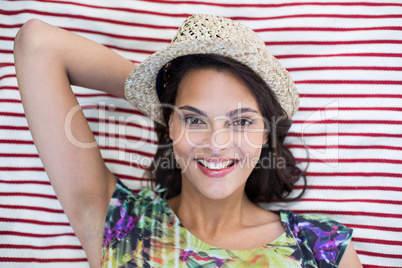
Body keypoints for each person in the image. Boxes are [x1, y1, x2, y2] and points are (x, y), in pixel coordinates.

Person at [14, 14, 362, 267]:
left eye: (241, 121)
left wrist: (177, 101)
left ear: (266, 133)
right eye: (194, 119)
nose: (216, 142)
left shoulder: (322, 248)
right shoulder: (118, 225)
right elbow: (37, 44)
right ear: (170, 126)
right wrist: (161, 95)